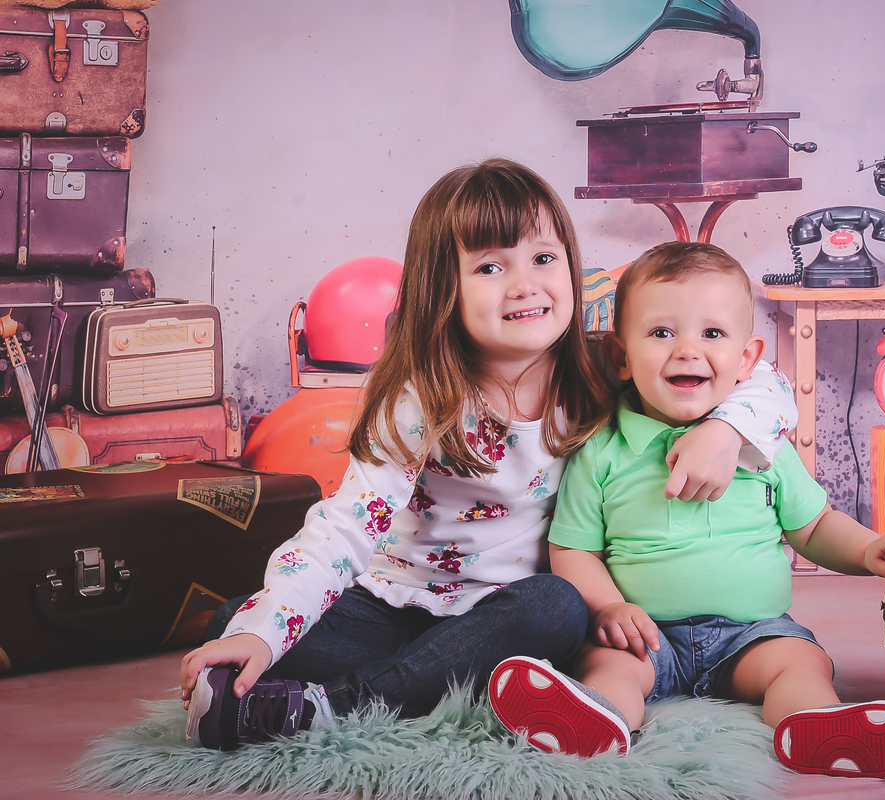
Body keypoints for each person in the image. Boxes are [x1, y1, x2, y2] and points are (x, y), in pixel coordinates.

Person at [180, 160, 799, 751]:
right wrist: (260, 632)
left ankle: (335, 707)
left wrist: (725, 432)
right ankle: (421, 678)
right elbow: (345, 526)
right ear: (441, 288)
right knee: (235, 624)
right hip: (398, 602)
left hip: (513, 616)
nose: (525, 284)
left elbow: (762, 380)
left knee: (558, 606)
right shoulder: (421, 397)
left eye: (543, 258)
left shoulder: (593, 368)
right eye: (489, 268)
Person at [488, 241, 885, 779]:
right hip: (645, 635)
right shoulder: (603, 450)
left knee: (799, 663)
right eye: (661, 333)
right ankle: (598, 720)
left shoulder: (763, 446)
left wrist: (867, 548)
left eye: (712, 334)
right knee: (609, 667)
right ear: (621, 357)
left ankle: (818, 725)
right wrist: (609, 607)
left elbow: (813, 525)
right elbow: (572, 548)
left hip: (751, 633)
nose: (687, 351)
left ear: (747, 359)